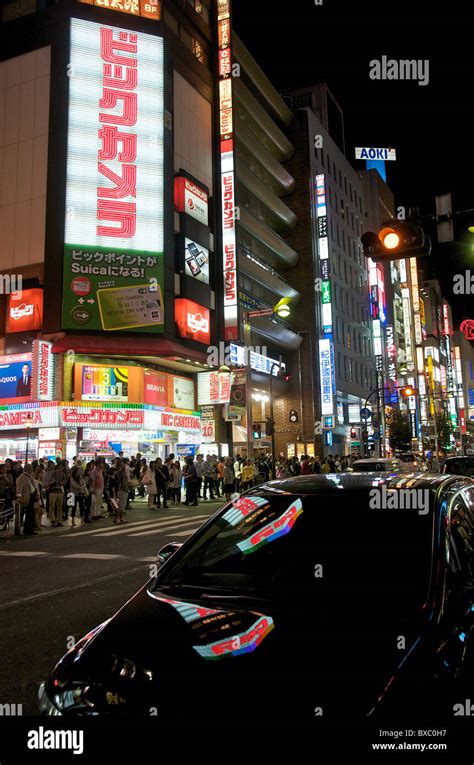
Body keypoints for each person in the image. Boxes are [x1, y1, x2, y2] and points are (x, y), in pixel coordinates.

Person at [16, 464, 37, 535]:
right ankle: (28, 530)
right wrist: (20, 496)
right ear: (27, 469)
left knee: (31, 514)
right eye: (31, 468)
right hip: (27, 497)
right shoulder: (22, 477)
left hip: (31, 496)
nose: (32, 470)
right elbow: (19, 488)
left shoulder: (30, 476)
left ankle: (29, 529)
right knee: (29, 514)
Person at [48, 461, 67, 527]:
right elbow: (51, 481)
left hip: (60, 491)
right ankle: (52, 520)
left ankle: (59, 521)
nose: (61, 468)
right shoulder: (53, 473)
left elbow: (64, 482)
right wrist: (58, 482)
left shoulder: (63, 475)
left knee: (60, 507)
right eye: (60, 466)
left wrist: (58, 482)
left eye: (62, 467)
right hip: (53, 491)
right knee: (52, 506)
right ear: (58, 466)